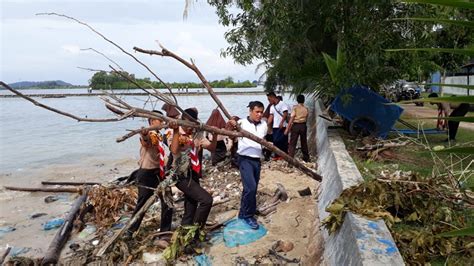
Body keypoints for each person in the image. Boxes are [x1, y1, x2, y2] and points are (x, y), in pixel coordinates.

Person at [126, 110, 173, 237]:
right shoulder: (150, 134)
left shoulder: (159, 135)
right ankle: (130, 230)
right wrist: (144, 134)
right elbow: (146, 142)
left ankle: (165, 231)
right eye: (160, 120)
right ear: (152, 121)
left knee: (167, 200)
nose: (163, 122)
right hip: (147, 173)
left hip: (161, 172)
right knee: (142, 203)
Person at [169, 108, 216, 228]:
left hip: (193, 173)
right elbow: (174, 150)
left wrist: (214, 135)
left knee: (191, 204)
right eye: (187, 124)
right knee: (206, 200)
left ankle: (186, 230)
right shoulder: (173, 131)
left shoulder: (197, 133)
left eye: (193, 124)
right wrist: (175, 132)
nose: (190, 127)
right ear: (182, 121)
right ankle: (196, 231)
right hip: (181, 175)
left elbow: (211, 148)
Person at [228, 101, 267, 230]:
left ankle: (244, 211)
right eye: (257, 112)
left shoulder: (264, 125)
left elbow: (262, 140)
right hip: (244, 159)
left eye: (261, 112)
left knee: (252, 188)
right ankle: (247, 215)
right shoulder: (242, 123)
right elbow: (230, 134)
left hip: (257, 159)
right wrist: (231, 125)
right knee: (250, 187)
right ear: (250, 111)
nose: (259, 114)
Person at [285, 94, 310, 162]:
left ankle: (290, 159)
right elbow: (307, 117)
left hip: (296, 126)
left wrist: (288, 128)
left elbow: (292, 117)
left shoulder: (295, 107)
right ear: (304, 100)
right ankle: (306, 158)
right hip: (303, 125)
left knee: (292, 143)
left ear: (297, 100)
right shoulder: (306, 108)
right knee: (304, 142)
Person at [267, 92, 289, 158]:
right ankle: (277, 155)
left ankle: (284, 154)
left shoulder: (282, 104)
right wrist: (267, 124)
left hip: (282, 126)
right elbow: (271, 116)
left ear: (273, 97)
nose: (269, 101)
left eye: (269, 99)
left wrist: (282, 122)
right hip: (275, 126)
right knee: (275, 141)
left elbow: (285, 113)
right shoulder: (272, 107)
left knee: (282, 141)